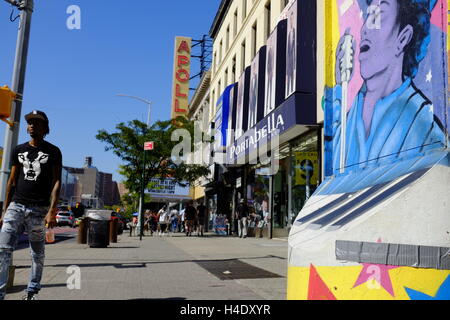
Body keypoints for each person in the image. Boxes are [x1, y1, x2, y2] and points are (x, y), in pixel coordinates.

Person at [330, 0, 447, 173]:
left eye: (379, 16)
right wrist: (340, 89)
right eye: (369, 16)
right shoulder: (349, 117)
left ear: (403, 38)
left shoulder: (423, 129)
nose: (364, 29)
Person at [0, 110, 62, 300]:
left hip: (38, 209)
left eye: (37, 122)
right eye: (30, 122)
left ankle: (32, 291)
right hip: (16, 205)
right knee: (3, 249)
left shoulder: (53, 151)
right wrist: (4, 210)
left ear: (46, 128)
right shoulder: (18, 150)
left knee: (37, 253)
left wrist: (52, 210)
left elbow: (56, 181)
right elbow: (12, 180)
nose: (32, 125)